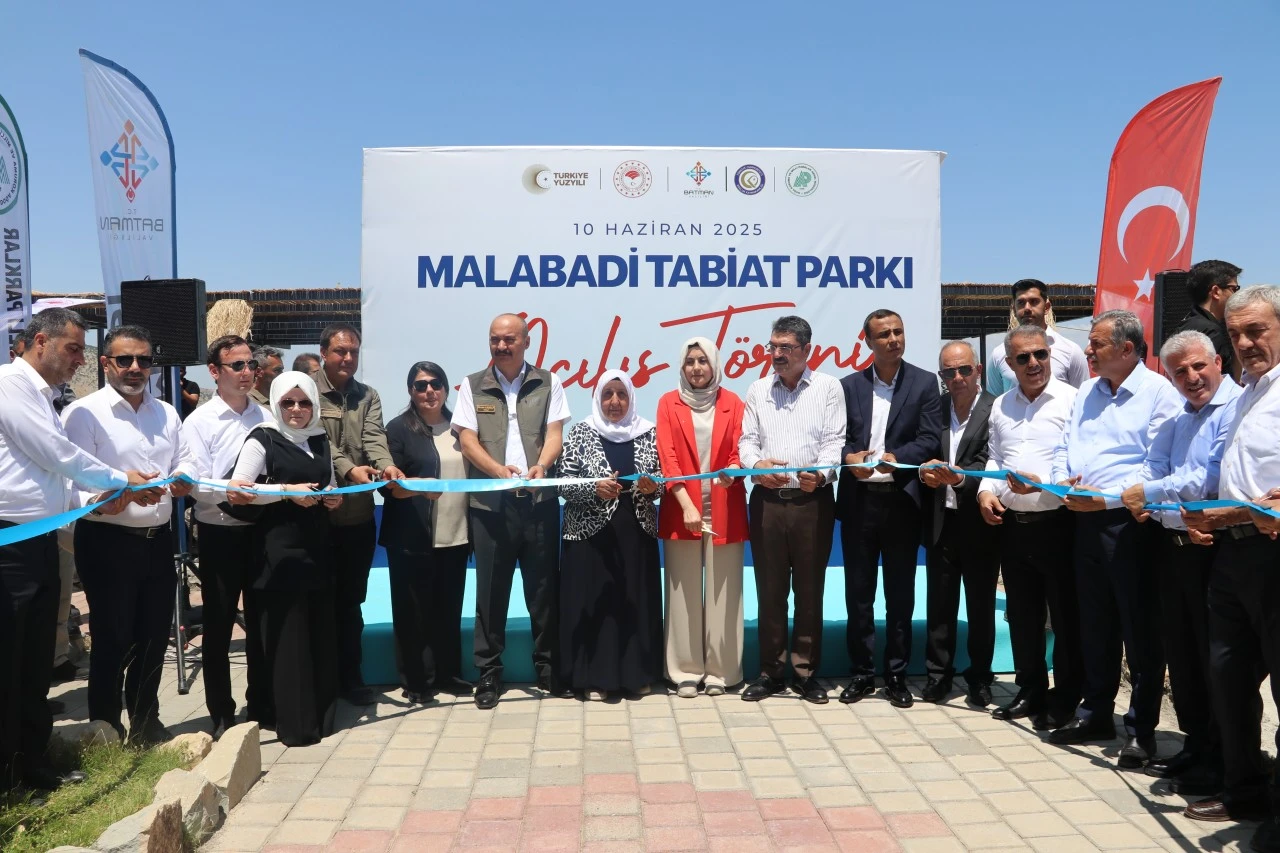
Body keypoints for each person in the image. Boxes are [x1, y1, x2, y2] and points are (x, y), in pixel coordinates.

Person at [0, 308, 153, 791]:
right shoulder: (10, 385)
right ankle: (8, 778)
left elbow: (55, 479)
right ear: (39, 342)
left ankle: (33, 765)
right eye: (72, 349)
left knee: (34, 665)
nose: (79, 361)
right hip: (10, 546)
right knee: (9, 663)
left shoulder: (43, 396)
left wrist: (94, 502)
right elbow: (57, 454)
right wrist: (121, 478)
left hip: (39, 542)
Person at [1048, 309, 1182, 767]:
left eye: (1097, 343)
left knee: (1139, 631)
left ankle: (1141, 731)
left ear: (1127, 349)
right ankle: (1094, 714)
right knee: (1096, 624)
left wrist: (1103, 500)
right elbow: (1065, 445)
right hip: (1083, 523)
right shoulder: (1087, 391)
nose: (1087, 350)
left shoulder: (1158, 393)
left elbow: (1156, 465)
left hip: (1131, 526)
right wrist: (1063, 482)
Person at [1117, 330, 1242, 796]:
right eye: (1179, 372)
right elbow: (1155, 467)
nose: (1191, 377)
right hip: (1173, 546)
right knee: (1183, 656)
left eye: (1198, 366)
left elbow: (1206, 478)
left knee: (1216, 659)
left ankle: (1224, 757)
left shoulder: (1234, 408)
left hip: (1213, 549)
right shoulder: (1180, 417)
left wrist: (1147, 494)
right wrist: (1145, 494)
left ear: (1218, 363)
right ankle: (1197, 745)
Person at [1181, 286, 1280, 845]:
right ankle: (1245, 790)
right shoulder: (1246, 395)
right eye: (1236, 334)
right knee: (1229, 677)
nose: (1244, 344)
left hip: (1274, 555)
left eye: (1256, 331)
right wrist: (1212, 519)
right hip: (1232, 555)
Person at [62, 325, 195, 744]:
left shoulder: (166, 412)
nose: (135, 368)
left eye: (144, 360)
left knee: (153, 637)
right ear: (105, 364)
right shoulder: (83, 413)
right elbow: (72, 480)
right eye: (125, 359)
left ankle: (145, 722)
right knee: (112, 639)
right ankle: (105, 728)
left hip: (158, 540)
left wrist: (182, 478)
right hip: (107, 542)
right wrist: (107, 498)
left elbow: (186, 459)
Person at [454, 313, 570, 709]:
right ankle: (488, 672)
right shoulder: (472, 385)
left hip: (538, 504)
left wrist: (542, 466)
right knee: (490, 592)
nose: (501, 346)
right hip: (491, 506)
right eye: (495, 339)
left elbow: (555, 434)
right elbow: (467, 440)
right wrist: (497, 472)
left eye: (509, 339)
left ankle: (549, 667)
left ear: (526, 342)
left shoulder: (549, 382)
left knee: (543, 589)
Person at [227, 371, 343, 747]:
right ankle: (294, 724)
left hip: (316, 550)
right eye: (288, 402)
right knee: (288, 642)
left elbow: (329, 482)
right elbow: (238, 490)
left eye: (304, 402)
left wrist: (334, 497)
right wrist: (285, 492)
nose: (296, 409)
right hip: (279, 556)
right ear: (276, 404)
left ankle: (321, 717)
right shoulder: (262, 438)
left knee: (318, 634)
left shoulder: (319, 437)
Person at [977, 326, 1082, 730]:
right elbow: (994, 457)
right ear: (1009, 363)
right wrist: (985, 491)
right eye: (1023, 358)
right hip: (1013, 525)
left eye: (1040, 354)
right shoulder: (1001, 405)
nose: (1033, 363)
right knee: (1022, 616)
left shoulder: (1074, 400)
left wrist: (1043, 483)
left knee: (1066, 617)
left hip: (1058, 523)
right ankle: (1030, 689)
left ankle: (1067, 697)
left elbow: (1080, 464)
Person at [837, 309, 942, 708]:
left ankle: (896, 675)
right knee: (858, 593)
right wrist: (849, 458)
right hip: (860, 502)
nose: (894, 339)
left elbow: (930, 438)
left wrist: (898, 458)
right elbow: (837, 438)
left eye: (898, 331)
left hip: (902, 501)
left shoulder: (924, 383)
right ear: (868, 341)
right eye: (884, 334)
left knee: (900, 595)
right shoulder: (849, 386)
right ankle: (862, 674)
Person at [737, 316, 844, 704]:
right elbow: (747, 441)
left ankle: (805, 673)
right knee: (770, 590)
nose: (777, 354)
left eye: (786, 347)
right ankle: (770, 672)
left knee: (810, 591)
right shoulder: (758, 389)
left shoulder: (828, 388)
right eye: (773, 346)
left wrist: (822, 473)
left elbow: (834, 441)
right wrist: (756, 466)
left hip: (812, 503)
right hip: (767, 503)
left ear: (806, 350)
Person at [181, 335, 273, 737]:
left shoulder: (266, 417)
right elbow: (195, 481)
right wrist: (230, 492)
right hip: (219, 533)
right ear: (214, 372)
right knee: (218, 627)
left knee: (262, 622)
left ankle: (262, 704)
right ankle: (221, 712)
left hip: (262, 532)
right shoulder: (199, 422)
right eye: (237, 365)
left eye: (251, 364)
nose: (247, 372)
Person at [556, 370, 662, 700]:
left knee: (632, 602)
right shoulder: (581, 431)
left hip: (636, 534)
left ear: (631, 398)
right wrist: (594, 488)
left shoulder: (648, 432)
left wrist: (653, 487)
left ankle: (635, 676)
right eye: (607, 394)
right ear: (597, 398)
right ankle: (593, 678)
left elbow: (663, 479)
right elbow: (562, 483)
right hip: (590, 538)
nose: (614, 402)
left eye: (621, 394)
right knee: (594, 603)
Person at [314, 323, 403, 706]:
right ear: (324, 353)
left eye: (353, 351)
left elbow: (373, 438)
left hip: (357, 519)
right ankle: (320, 680)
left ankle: (351, 677)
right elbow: (317, 441)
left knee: (351, 603)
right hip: (315, 518)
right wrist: (349, 469)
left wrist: (387, 466)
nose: (348, 358)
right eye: (340, 351)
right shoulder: (305, 391)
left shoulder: (368, 395)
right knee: (318, 600)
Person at [655, 337, 747, 698]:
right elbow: (668, 457)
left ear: (714, 364)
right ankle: (685, 671)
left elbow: (740, 447)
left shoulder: (733, 402)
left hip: (726, 508)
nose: (696, 368)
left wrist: (735, 469)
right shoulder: (668, 403)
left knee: (725, 593)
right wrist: (686, 504)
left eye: (703, 361)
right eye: (690, 361)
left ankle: (721, 672)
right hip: (682, 510)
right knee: (683, 595)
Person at [379, 361, 473, 703]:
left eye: (436, 384)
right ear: (410, 391)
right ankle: (417, 681)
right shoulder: (398, 429)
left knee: (448, 609)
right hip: (412, 537)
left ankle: (448, 674)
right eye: (421, 385)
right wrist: (419, 488)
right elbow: (388, 486)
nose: (429, 391)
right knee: (412, 613)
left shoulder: (462, 429)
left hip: (456, 534)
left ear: (446, 389)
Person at [917, 341, 998, 707]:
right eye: (948, 372)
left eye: (964, 370)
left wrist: (962, 478)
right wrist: (924, 471)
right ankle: (938, 676)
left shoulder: (995, 409)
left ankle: (980, 678)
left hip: (978, 521)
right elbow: (922, 452)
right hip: (940, 520)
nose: (957, 378)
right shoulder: (935, 408)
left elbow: (993, 458)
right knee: (939, 605)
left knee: (980, 606)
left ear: (977, 371)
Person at [985, 279, 1089, 396]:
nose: (1027, 308)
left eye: (1034, 302)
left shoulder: (1071, 351)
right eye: (1021, 302)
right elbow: (993, 400)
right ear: (1014, 309)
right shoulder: (999, 354)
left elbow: (1081, 399)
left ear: (1047, 307)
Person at [1176, 260, 1243, 383]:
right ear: (1216, 291)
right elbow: (1220, 381)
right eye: (1234, 289)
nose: (1237, 295)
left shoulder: (1186, 323)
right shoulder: (1211, 332)